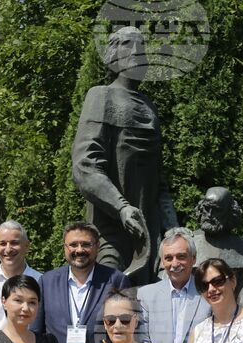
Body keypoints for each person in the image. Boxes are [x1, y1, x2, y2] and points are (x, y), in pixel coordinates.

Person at [72, 27, 177, 284]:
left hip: (149, 231)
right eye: (129, 44)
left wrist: (172, 228)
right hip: (112, 227)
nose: (137, 51)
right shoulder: (101, 96)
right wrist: (121, 207)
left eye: (141, 46)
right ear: (112, 55)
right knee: (109, 299)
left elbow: (157, 180)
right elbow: (86, 165)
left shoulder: (149, 107)